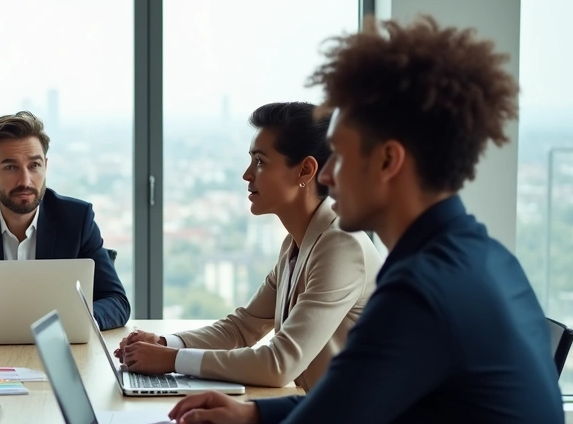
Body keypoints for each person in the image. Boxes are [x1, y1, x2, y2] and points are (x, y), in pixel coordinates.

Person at [170, 16, 573, 424]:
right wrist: (254, 413)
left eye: (339, 157)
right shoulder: (479, 257)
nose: (328, 176)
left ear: (389, 161)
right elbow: (354, 399)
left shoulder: (420, 294)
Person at [116, 102, 381, 390]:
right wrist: (163, 344)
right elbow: (241, 328)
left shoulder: (341, 246)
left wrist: (172, 360)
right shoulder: (296, 243)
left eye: (260, 161)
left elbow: (279, 364)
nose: (247, 174)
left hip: (353, 418)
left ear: (305, 170)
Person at [0, 111, 129, 334]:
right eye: (11, 167)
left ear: (45, 166)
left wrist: (76, 322)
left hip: (61, 347)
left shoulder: (77, 219)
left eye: (34, 165)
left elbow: (116, 301)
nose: (25, 180)